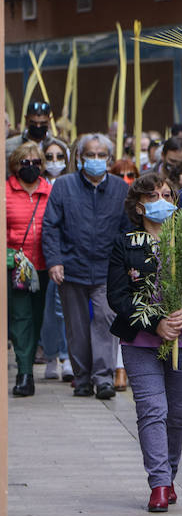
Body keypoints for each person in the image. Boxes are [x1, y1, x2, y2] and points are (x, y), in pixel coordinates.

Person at [107, 173, 182, 511]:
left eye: (167, 194)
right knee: (152, 410)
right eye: (153, 194)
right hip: (141, 342)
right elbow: (116, 295)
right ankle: (158, 482)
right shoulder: (125, 242)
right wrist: (156, 323)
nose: (161, 199)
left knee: (176, 414)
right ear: (139, 204)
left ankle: (169, 473)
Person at [41, 132, 129, 399]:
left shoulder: (120, 188)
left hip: (106, 269)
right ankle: (81, 378)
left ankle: (103, 377)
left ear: (110, 159)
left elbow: (126, 230)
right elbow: (50, 226)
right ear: (79, 157)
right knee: (76, 326)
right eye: (90, 154)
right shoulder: (64, 186)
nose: (95, 160)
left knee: (105, 320)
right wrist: (55, 260)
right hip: (71, 267)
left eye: (101, 155)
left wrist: (125, 265)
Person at [7, 141, 52, 397]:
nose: (31, 167)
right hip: (15, 266)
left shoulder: (50, 191)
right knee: (22, 317)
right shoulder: (6, 191)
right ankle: (25, 373)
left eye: (36, 163)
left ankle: (28, 365)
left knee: (37, 317)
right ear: (16, 164)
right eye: (26, 163)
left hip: (44, 266)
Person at [39, 138, 72, 382]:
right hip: (39, 256)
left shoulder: (72, 185)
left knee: (64, 310)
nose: (54, 162)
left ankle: (66, 356)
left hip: (67, 254)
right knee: (47, 310)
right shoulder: (38, 185)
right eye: (48, 157)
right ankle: (51, 355)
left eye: (59, 157)